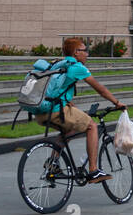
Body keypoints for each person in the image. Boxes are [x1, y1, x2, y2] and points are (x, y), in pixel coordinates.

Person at [34, 37, 124, 184]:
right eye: (84, 51)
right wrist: (117, 102)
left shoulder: (57, 64)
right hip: (56, 111)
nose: (87, 54)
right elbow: (99, 88)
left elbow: (57, 89)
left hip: (41, 112)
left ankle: (53, 162)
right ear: (76, 52)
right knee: (92, 126)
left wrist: (73, 108)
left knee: (70, 130)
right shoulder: (77, 67)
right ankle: (93, 170)